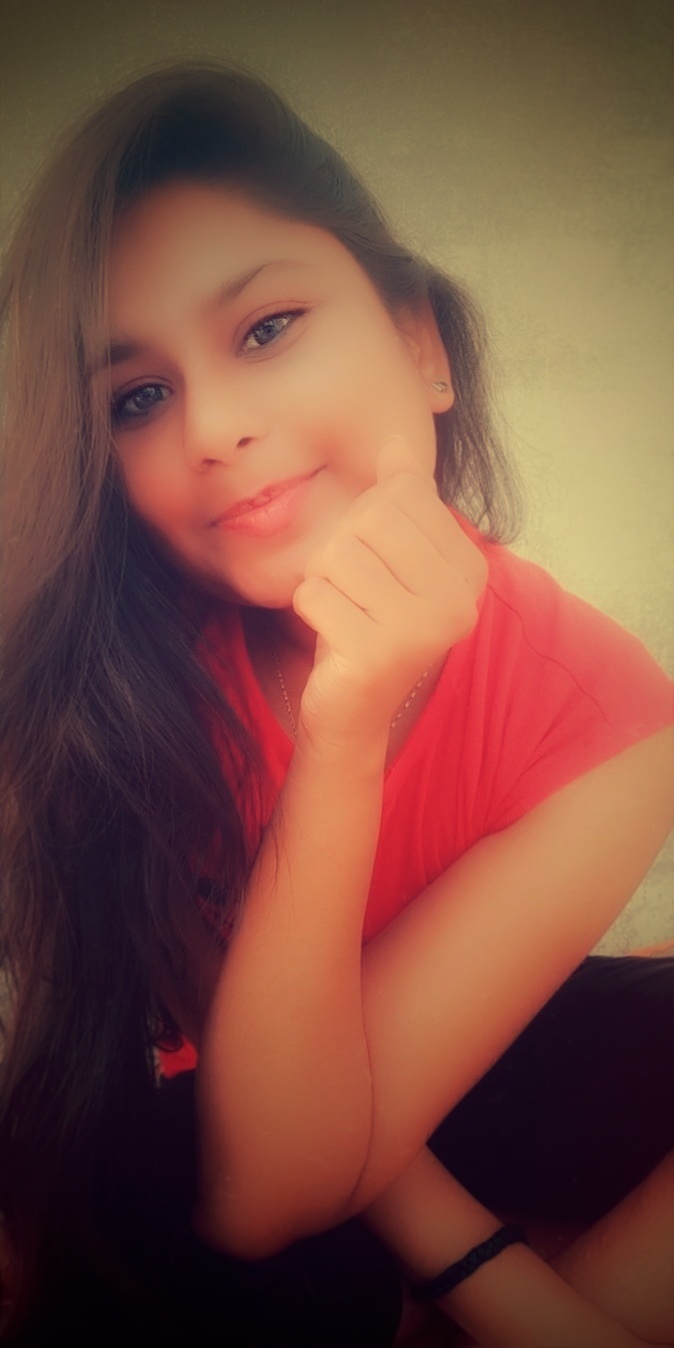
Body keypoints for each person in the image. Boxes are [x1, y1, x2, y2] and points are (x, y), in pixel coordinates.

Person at [0, 60, 672, 1348]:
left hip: (440, 1072)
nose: (212, 426)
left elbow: (401, 1089)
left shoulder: (611, 716)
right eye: (138, 398)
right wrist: (343, 737)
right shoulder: (119, 680)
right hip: (212, 1127)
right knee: (251, 1281)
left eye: (266, 328)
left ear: (422, 344)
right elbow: (267, 1190)